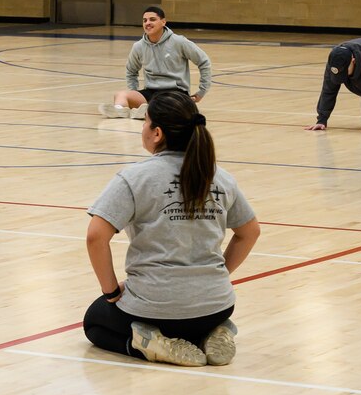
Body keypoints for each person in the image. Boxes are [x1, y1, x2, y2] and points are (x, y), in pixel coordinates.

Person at [84, 89, 260, 367]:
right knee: (197, 317)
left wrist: (111, 293)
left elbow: (96, 237)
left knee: (95, 321)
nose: (143, 127)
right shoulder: (219, 177)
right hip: (216, 306)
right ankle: (216, 330)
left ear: (157, 133)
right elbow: (250, 232)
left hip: (154, 308)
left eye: (145, 121)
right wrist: (217, 275)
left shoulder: (134, 178)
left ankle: (149, 345)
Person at [104, 5, 211, 118]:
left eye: (152, 19)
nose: (147, 23)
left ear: (163, 22)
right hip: (151, 92)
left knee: (164, 105)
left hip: (176, 93)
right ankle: (120, 111)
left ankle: (148, 112)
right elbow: (131, 70)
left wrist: (201, 91)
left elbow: (204, 62)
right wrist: (134, 91)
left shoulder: (179, 41)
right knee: (120, 95)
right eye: (145, 20)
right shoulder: (138, 46)